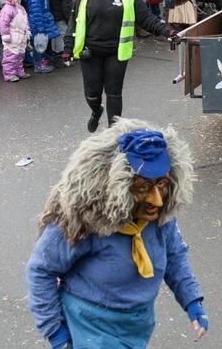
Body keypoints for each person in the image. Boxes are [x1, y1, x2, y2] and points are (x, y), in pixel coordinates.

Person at [25, 120, 208, 348]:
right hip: (91, 325)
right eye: (143, 187)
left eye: (161, 185)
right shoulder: (84, 220)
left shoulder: (158, 218)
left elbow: (174, 256)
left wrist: (192, 301)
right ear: (115, 186)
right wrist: (55, 333)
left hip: (137, 323)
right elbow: (41, 270)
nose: (157, 200)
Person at [71, 0, 175, 132]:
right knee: (92, 93)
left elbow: (146, 18)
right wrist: (67, 48)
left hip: (116, 52)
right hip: (90, 52)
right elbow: (73, 22)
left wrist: (167, 31)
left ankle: (114, 132)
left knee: (114, 93)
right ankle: (96, 111)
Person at [24, 0, 61, 74]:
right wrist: (41, 29)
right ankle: (38, 65)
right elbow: (37, 14)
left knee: (39, 45)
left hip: (42, 22)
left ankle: (42, 61)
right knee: (38, 46)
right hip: (38, 25)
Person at [0, 0, 30, 83]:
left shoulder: (20, 7)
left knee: (20, 55)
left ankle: (19, 71)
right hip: (12, 36)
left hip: (21, 35)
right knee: (10, 56)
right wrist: (5, 36)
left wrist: (28, 30)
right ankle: (9, 74)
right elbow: (3, 24)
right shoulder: (7, 10)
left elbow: (25, 20)